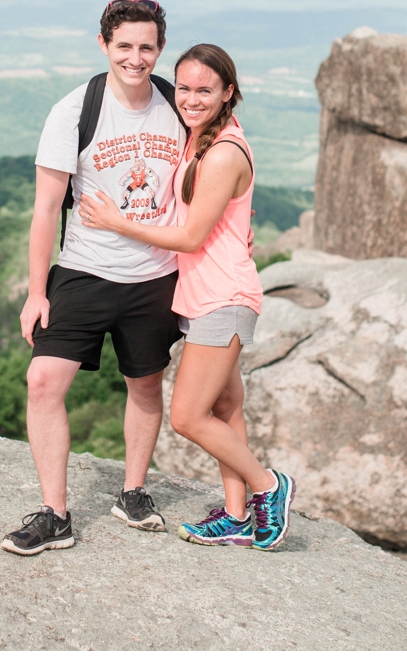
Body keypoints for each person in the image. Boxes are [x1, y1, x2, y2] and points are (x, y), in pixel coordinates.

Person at [77, 44, 295, 552]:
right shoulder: (203, 138)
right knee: (225, 405)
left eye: (205, 90)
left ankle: (268, 487)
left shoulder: (220, 152)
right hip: (206, 295)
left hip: (223, 298)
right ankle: (239, 515)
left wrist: (115, 222)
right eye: (186, 88)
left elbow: (192, 237)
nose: (191, 99)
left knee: (188, 416)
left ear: (228, 93)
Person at [0, 0, 188, 556]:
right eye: (125, 45)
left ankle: (133, 491)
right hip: (84, 270)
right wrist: (38, 291)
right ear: (103, 44)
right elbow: (45, 207)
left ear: (160, 49)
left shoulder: (177, 107)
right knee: (42, 382)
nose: (136, 57)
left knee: (145, 384)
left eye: (147, 47)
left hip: (156, 273)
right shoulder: (73, 111)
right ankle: (55, 515)